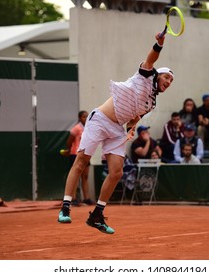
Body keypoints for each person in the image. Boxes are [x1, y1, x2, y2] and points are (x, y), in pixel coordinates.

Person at [57, 33, 174, 234]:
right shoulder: (145, 75)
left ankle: (97, 215)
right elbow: (152, 57)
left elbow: (134, 118)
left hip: (117, 129)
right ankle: (65, 207)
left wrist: (131, 129)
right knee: (81, 160)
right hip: (100, 119)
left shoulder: (152, 102)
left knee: (117, 172)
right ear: (156, 75)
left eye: (171, 80)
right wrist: (160, 43)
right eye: (166, 77)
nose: (169, 81)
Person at [63, 110, 95, 206]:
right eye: (84, 116)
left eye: (87, 116)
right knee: (76, 176)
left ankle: (86, 198)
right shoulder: (76, 128)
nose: (86, 118)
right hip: (75, 154)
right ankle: (73, 198)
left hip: (86, 154)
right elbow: (69, 142)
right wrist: (68, 150)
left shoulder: (89, 128)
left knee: (85, 177)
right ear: (80, 118)